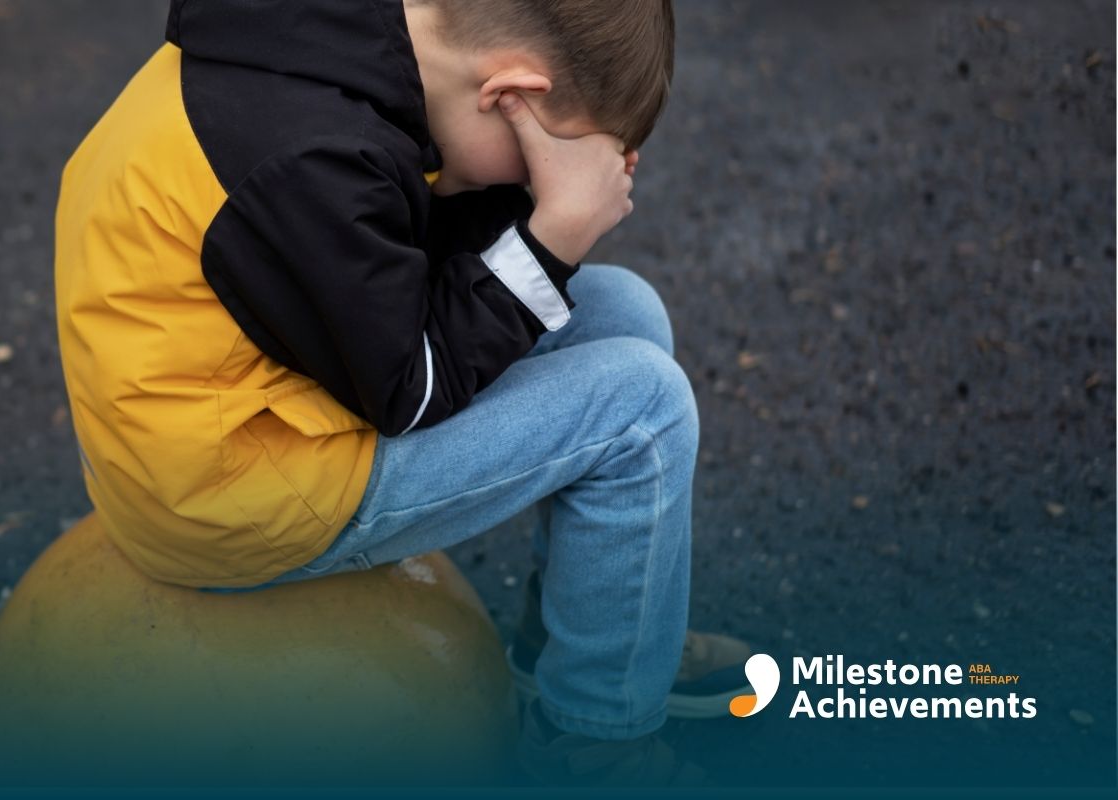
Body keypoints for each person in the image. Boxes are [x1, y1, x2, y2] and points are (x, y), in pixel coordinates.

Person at [52, 0, 755, 786]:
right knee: (645, 412)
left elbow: (402, 245)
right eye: (531, 159)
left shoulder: (364, 42)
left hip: (273, 376)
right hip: (225, 486)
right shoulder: (309, 160)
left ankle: (592, 647)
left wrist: (532, 208)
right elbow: (409, 388)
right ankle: (594, 754)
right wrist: (553, 229)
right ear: (507, 96)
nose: (530, 179)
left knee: (624, 312)